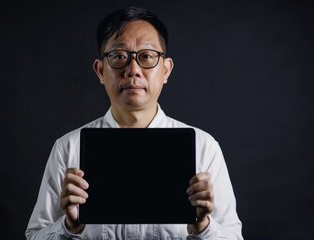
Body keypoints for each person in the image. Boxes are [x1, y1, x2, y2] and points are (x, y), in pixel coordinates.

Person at [25, 6, 243, 240]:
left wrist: (203, 226)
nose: (133, 70)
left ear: (166, 69)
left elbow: (233, 236)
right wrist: (69, 226)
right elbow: (35, 235)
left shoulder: (203, 147)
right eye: (119, 57)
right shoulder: (69, 148)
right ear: (100, 70)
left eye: (147, 56)